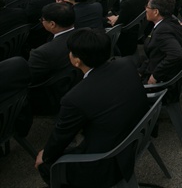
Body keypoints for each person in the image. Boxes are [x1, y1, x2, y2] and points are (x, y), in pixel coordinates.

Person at [35, 29, 149, 187]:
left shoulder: (75, 98)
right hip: (138, 136)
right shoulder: (126, 63)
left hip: (106, 160)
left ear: (77, 61)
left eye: (71, 52)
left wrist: (46, 155)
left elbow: (61, 136)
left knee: (46, 166)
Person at [138, 0, 182, 84]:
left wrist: (155, 76)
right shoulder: (172, 19)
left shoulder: (162, 31)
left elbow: (177, 54)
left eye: (147, 7)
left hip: (162, 79)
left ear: (156, 12)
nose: (145, 9)